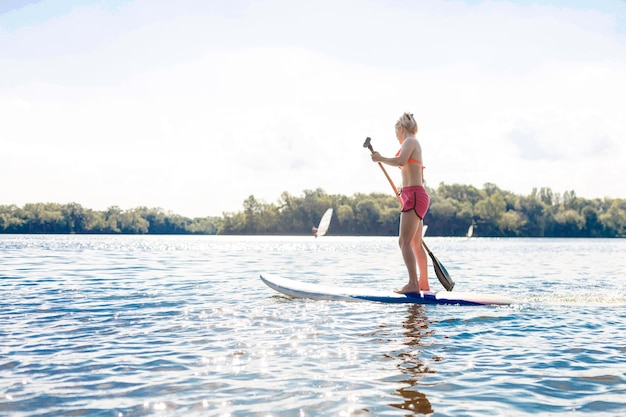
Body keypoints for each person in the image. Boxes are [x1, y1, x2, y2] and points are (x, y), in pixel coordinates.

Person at [370, 112, 430, 293]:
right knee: (415, 244)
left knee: (404, 242)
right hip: (415, 196)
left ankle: (413, 284)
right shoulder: (412, 144)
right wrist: (404, 193)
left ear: (401, 129)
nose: (396, 137)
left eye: (396, 133)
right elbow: (417, 175)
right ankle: (423, 284)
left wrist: (380, 158)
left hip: (414, 197)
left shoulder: (410, 141)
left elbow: (401, 161)